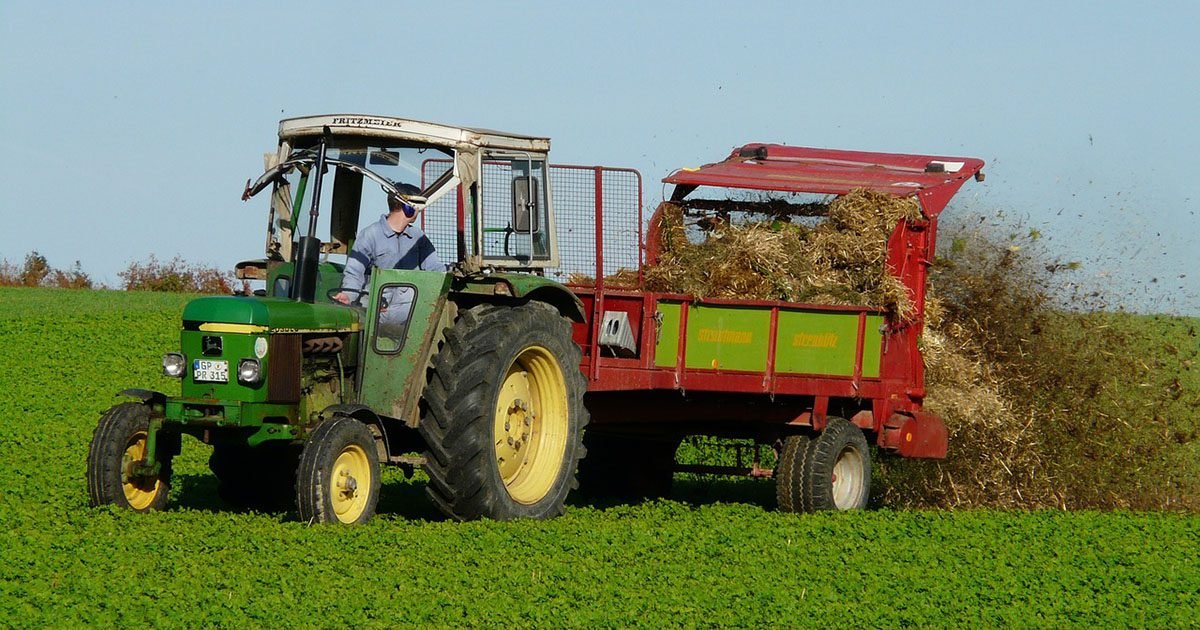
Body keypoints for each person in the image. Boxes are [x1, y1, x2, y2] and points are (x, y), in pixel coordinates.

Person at [334, 189, 442, 331]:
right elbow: (355, 271)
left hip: (410, 319)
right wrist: (348, 295)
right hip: (377, 316)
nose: (419, 211)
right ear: (408, 208)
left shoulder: (418, 237)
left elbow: (435, 268)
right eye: (418, 206)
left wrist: (450, 274)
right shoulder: (370, 235)